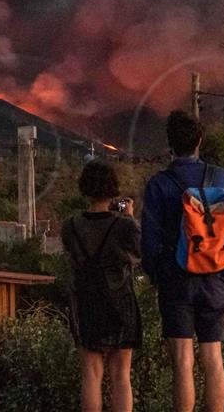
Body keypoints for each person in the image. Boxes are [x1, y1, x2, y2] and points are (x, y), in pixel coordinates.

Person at [141, 111, 224, 412]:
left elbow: (149, 241)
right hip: (215, 275)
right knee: (213, 358)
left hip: (176, 278)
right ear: (200, 141)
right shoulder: (221, 177)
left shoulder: (158, 184)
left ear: (170, 144)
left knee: (182, 361)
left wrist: (156, 275)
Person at [62, 160, 142, 412]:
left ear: (85, 188)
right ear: (112, 189)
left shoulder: (71, 226)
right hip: (121, 305)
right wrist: (130, 217)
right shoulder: (123, 226)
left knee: (91, 376)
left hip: (87, 305)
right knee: (121, 376)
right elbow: (140, 253)